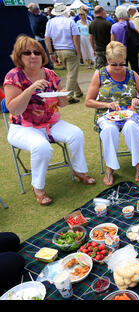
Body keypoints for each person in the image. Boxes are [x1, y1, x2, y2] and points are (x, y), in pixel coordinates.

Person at [3, 35, 95, 205]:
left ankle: (79, 171)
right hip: (22, 127)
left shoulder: (49, 74)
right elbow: (14, 109)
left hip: (51, 123)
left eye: (37, 52)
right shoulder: (13, 76)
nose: (33, 56)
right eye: (27, 52)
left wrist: (62, 96)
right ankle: (38, 187)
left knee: (76, 134)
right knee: (41, 146)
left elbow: (63, 103)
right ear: (19, 56)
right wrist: (30, 89)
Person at [85, 41, 139, 186]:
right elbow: (88, 101)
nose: (118, 67)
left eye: (121, 64)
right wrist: (107, 104)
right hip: (106, 114)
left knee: (131, 128)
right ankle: (110, 168)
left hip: (130, 113)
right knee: (109, 130)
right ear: (108, 60)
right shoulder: (100, 74)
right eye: (114, 64)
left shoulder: (131, 73)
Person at [44, 2, 83, 104]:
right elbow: (76, 38)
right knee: (72, 74)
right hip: (70, 49)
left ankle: (78, 92)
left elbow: (47, 38)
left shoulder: (50, 22)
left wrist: (51, 52)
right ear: (64, 10)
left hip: (58, 50)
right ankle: (68, 96)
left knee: (71, 73)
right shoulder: (70, 21)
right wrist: (79, 52)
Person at [111, 5, 139, 75]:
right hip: (131, 48)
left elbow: (112, 41)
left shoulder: (114, 27)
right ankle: (136, 81)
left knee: (122, 68)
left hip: (120, 50)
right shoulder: (130, 24)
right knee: (135, 68)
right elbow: (138, 33)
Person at [27, 3, 53, 70]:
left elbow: (47, 28)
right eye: (31, 10)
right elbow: (26, 8)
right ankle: (40, 65)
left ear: (36, 10)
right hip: (34, 37)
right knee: (36, 53)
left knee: (45, 52)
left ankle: (49, 66)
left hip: (42, 37)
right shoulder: (30, 14)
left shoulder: (43, 17)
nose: (31, 11)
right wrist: (30, 6)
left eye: (33, 10)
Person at [89, 5, 112, 70]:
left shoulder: (91, 24)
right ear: (102, 11)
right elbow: (112, 37)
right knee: (110, 67)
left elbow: (91, 38)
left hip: (98, 49)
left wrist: (93, 49)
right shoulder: (108, 24)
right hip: (108, 49)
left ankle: (99, 79)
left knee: (99, 69)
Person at [128, 4, 139, 74]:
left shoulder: (137, 18)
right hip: (138, 37)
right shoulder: (135, 17)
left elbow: (137, 30)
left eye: (129, 11)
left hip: (137, 38)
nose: (129, 13)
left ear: (132, 10)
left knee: (138, 54)